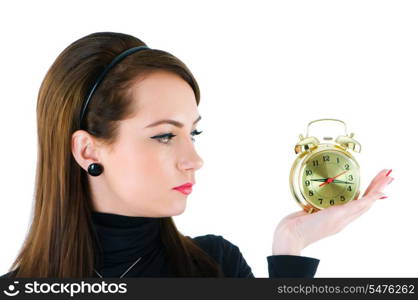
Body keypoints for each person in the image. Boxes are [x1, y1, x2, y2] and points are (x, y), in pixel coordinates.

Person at [0, 32, 393, 278]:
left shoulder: (214, 266)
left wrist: (290, 247)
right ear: (88, 149)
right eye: (165, 135)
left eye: (194, 132)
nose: (194, 159)